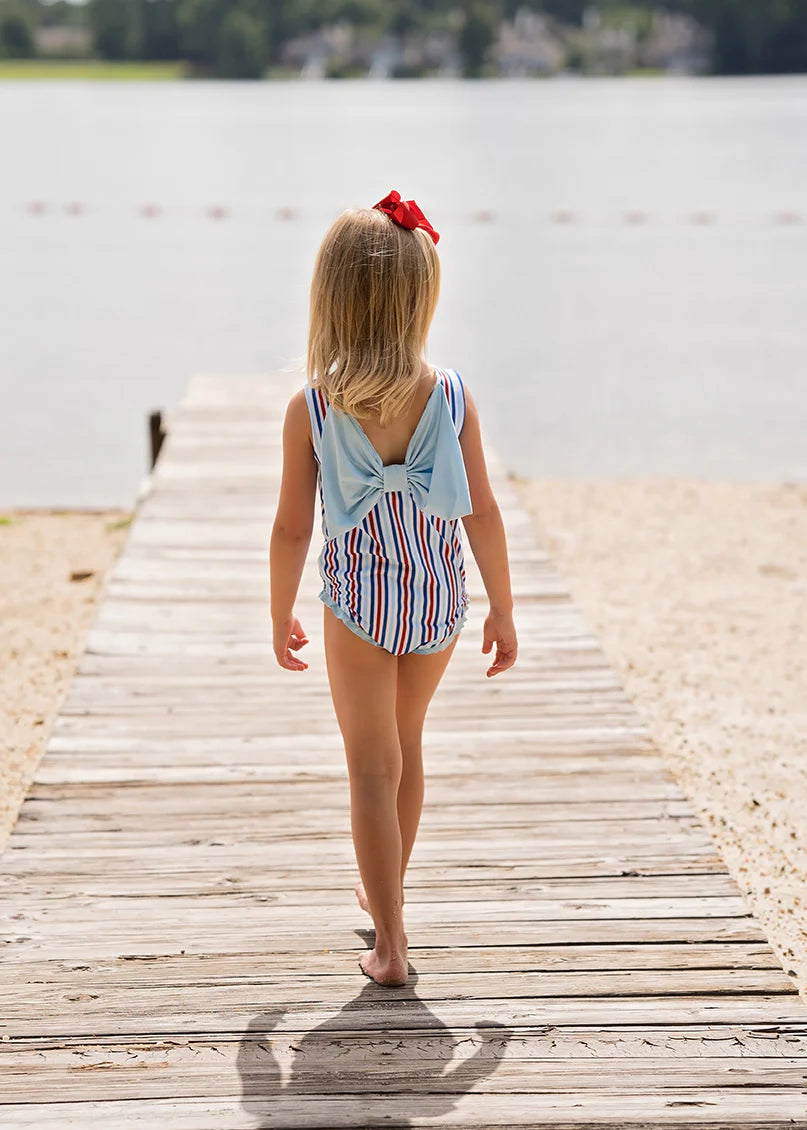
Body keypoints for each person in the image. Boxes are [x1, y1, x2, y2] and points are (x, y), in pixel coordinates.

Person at [269, 189, 518, 987]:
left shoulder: (313, 407)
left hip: (357, 608)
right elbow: (480, 515)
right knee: (405, 752)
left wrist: (279, 613)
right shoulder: (449, 397)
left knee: (369, 769)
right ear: (419, 300)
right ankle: (388, 905)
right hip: (438, 603)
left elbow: (290, 530)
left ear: (331, 300)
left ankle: (392, 945)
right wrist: (502, 608)